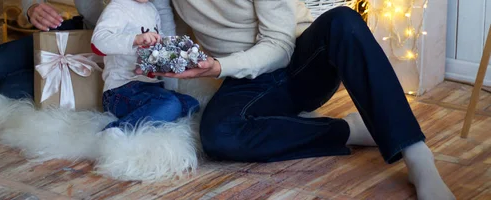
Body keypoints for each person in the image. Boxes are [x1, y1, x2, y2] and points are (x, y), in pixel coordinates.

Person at [144, 1, 454, 200]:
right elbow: (165, 35)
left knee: (343, 21)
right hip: (244, 77)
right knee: (218, 135)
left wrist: (222, 66)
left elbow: (279, 46)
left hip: (300, 61)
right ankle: (348, 130)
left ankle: (418, 157)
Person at [0, 0, 175, 99]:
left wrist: (171, 84)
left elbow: (162, 16)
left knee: (11, 89)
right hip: (84, 31)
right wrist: (32, 6)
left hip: (124, 54)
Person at [90, 0, 199, 132]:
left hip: (150, 87)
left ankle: (148, 115)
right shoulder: (118, 7)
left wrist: (175, 54)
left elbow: (159, 41)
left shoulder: (151, 9)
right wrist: (135, 39)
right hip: (121, 90)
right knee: (171, 104)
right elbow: (98, 41)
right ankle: (117, 130)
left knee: (191, 104)